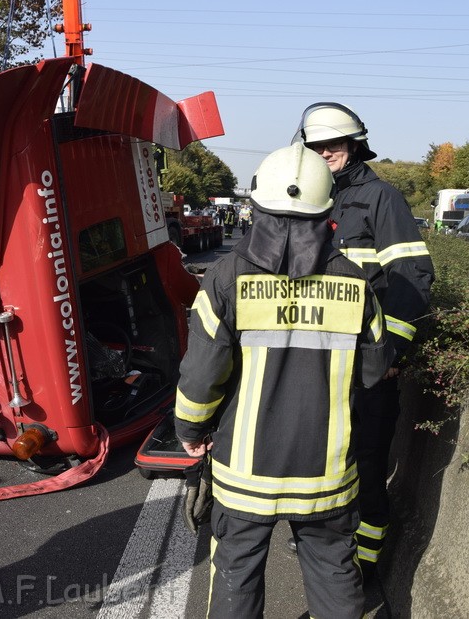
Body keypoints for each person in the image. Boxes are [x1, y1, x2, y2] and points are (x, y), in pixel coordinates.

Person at [175, 143, 393, 617]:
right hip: (326, 473)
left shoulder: (224, 278)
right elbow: (375, 371)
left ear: (256, 204)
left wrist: (191, 432)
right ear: (328, 208)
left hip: (243, 472)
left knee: (235, 571)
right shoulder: (357, 285)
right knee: (335, 570)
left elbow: (201, 376)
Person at [293, 102, 434, 578]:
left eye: (332, 144)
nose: (323, 152)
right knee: (325, 457)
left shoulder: (381, 198)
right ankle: (330, 549)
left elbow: (411, 277)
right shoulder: (309, 198)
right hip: (316, 359)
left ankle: (366, 564)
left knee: (368, 461)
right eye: (315, 146)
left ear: (353, 145)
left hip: (367, 360)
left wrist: (390, 351)